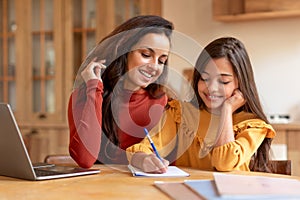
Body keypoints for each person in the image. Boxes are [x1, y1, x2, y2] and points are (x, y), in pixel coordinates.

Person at [126, 37, 275, 173]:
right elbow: (145, 148)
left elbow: (224, 162)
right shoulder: (179, 113)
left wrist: (227, 110)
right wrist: (142, 159)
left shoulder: (253, 125)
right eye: (205, 78)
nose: (212, 88)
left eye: (223, 81)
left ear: (240, 83)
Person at [68, 15, 174, 168]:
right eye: (146, 55)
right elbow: (85, 159)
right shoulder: (86, 95)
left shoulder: (163, 102)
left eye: (161, 60)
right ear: (123, 51)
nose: (155, 66)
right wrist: (94, 87)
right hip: (99, 189)